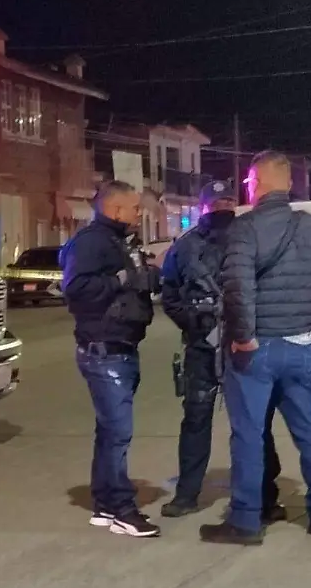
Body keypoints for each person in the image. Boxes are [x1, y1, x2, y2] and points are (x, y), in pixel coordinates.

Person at [201, 151, 311, 545]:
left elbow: (238, 287)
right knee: (309, 432)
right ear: (289, 184)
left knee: (248, 435)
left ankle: (246, 521)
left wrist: (244, 335)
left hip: (256, 349)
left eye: (248, 182)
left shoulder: (245, 229)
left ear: (255, 183)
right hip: (300, 346)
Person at [159, 181, 288, 526]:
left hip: (243, 345)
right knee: (196, 420)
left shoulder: (251, 237)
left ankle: (265, 497)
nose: (223, 208)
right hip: (202, 347)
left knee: (253, 422)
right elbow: (170, 293)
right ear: (203, 207)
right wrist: (194, 322)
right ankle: (187, 495)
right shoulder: (186, 247)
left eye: (229, 201)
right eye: (217, 203)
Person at [61, 180, 160, 538]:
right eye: (134, 208)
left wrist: (146, 276)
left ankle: (104, 505)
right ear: (115, 209)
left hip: (121, 347)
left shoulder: (119, 241)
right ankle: (122, 510)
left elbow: (134, 280)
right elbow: (76, 289)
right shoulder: (91, 242)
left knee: (110, 433)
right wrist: (122, 278)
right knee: (118, 433)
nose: (138, 213)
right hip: (104, 350)